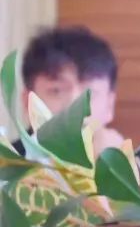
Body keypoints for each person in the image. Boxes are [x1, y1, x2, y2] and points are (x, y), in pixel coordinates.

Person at [17, 25, 124, 156]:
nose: (75, 108)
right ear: (28, 103)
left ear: (109, 105)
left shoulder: (131, 164)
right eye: (57, 91)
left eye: (89, 94)